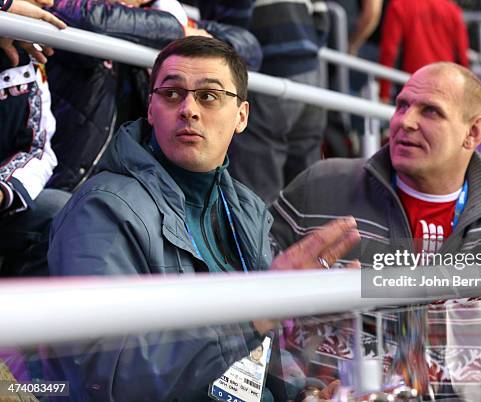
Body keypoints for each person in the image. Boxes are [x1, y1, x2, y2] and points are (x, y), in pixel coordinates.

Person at [45, 36, 360, 401]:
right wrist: (256, 312)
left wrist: (303, 394)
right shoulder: (102, 210)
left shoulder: (246, 209)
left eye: (208, 96)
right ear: (150, 109)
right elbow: (108, 378)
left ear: (241, 116)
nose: (188, 109)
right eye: (172, 94)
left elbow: (260, 350)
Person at [271, 62, 481, 399]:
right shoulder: (322, 186)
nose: (405, 121)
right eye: (401, 105)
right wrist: (304, 394)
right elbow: (249, 295)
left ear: (473, 133)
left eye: (430, 111)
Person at [44, 0, 262, 191]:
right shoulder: (71, 7)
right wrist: (179, 33)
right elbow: (90, 20)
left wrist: (171, 31)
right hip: (68, 184)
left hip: (133, 184)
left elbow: (248, 46)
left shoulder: (166, 14)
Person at [227, 0, 329, 205]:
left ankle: (264, 237)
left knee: (259, 188)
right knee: (306, 187)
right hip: (311, 72)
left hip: (268, 73)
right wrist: (305, 50)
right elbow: (322, 15)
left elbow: (231, 24)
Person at [0, 0, 70, 277]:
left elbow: (37, 148)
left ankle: (19, 315)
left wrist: (3, 190)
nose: (48, 3)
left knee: (60, 210)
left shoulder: (25, 52)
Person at [377, 0, 469, 103]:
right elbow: (462, 57)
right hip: (445, 86)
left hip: (414, 86)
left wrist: (383, 93)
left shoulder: (400, 4)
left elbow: (389, 51)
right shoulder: (452, 10)